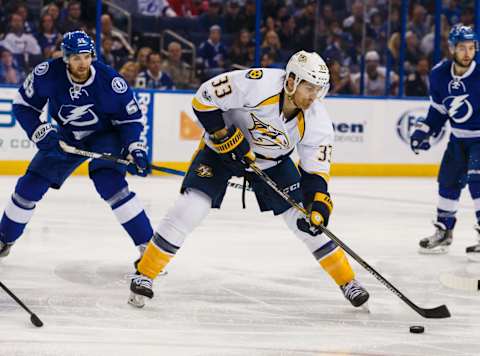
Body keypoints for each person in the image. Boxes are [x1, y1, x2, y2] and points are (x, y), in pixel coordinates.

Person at [128, 50, 370, 309]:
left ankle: (348, 281)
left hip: (273, 163)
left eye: (319, 89)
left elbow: (315, 174)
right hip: (220, 152)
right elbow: (203, 99)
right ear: (291, 82)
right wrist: (224, 136)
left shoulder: (317, 120)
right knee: (191, 208)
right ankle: (145, 275)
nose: (314, 96)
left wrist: (319, 205)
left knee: (306, 222)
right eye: (309, 87)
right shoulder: (257, 84)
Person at [0, 31, 154, 265]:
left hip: (106, 136)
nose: (82, 63)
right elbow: (23, 106)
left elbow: (130, 120)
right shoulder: (47, 74)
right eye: (75, 58)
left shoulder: (111, 82)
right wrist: (40, 132)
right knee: (29, 187)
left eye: (86, 56)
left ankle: (149, 250)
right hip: (67, 137)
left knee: (110, 183)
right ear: (66, 58)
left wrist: (135, 148)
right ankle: (4, 239)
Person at [410, 24, 480, 260]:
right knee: (447, 182)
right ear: (452, 48)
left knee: (477, 180)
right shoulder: (439, 74)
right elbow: (438, 111)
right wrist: (424, 131)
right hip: (458, 138)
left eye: (472, 47)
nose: (468, 53)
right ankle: (444, 231)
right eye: (462, 48)